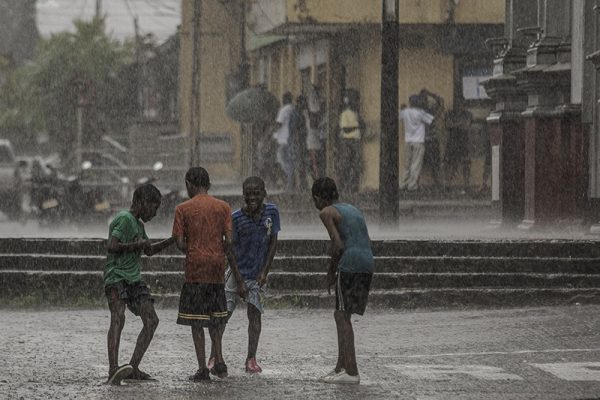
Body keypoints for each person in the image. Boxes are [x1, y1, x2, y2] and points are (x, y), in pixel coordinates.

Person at [172, 167, 246, 381]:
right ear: (209, 184)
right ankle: (220, 360)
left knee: (196, 320)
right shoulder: (223, 207)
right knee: (215, 317)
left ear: (189, 184)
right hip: (216, 268)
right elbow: (230, 241)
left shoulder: (182, 209)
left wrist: (195, 248)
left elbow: (179, 243)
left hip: (196, 268)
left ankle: (202, 367)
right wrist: (214, 248)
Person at [104, 183, 176, 385]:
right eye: (154, 207)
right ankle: (113, 368)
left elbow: (149, 250)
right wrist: (137, 245)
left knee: (151, 320)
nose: (154, 213)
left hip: (134, 280)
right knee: (118, 318)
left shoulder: (139, 225)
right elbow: (112, 246)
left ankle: (133, 367)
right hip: (116, 277)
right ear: (142, 202)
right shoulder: (124, 219)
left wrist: (172, 240)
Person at [209, 176, 280, 373]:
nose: (252, 198)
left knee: (255, 316)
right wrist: (239, 280)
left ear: (264, 194)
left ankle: (251, 358)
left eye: (257, 193)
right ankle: (215, 354)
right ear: (243, 196)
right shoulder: (236, 218)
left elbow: (273, 243)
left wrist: (265, 272)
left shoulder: (272, 213)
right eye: (248, 194)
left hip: (258, 274)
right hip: (236, 271)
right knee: (224, 314)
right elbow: (229, 250)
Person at [311, 177, 374, 384]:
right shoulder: (352, 209)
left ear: (318, 198)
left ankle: (352, 371)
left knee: (341, 316)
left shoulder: (326, 212)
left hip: (349, 264)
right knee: (343, 314)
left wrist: (330, 272)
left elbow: (337, 245)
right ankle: (341, 367)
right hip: (367, 263)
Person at [399, 94, 435, 192]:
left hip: (408, 140)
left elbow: (399, 115)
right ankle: (412, 185)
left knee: (407, 164)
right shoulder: (420, 113)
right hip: (418, 141)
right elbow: (431, 120)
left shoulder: (405, 112)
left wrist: (402, 107)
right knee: (416, 164)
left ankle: (403, 184)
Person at [419, 88, 445, 190]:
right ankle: (437, 184)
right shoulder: (424, 112)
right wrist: (431, 94)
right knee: (424, 164)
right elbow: (441, 103)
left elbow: (441, 102)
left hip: (429, 140)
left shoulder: (428, 111)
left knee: (434, 163)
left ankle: (438, 184)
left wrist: (430, 93)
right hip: (426, 140)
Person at [338, 92, 364, 193]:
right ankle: (344, 187)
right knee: (346, 164)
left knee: (355, 164)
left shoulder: (356, 114)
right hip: (348, 141)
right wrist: (357, 127)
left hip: (356, 140)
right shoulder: (345, 114)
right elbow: (345, 129)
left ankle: (352, 187)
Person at [444, 108, 473, 194]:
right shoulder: (449, 113)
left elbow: (467, 126)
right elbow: (448, 125)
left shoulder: (467, 113)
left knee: (466, 163)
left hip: (463, 141)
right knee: (451, 163)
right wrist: (460, 123)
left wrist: (455, 124)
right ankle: (448, 185)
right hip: (453, 141)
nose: (459, 105)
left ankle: (466, 184)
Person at [271, 92, 295, 191]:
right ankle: (290, 183)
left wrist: (272, 133)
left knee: (283, 162)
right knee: (290, 162)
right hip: (290, 139)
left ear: (284, 99)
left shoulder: (284, 110)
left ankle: (288, 184)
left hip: (283, 140)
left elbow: (279, 124)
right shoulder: (293, 109)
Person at [289, 95, 309, 191]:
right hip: (298, 143)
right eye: (304, 102)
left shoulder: (298, 113)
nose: (306, 104)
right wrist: (298, 142)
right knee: (299, 164)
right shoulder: (296, 114)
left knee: (299, 164)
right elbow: (294, 130)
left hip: (299, 142)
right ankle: (299, 185)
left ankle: (299, 185)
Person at [306, 84, 325, 180]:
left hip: (315, 142)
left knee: (315, 162)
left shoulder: (312, 115)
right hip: (314, 142)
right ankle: (317, 178)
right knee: (315, 162)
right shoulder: (314, 117)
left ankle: (317, 178)